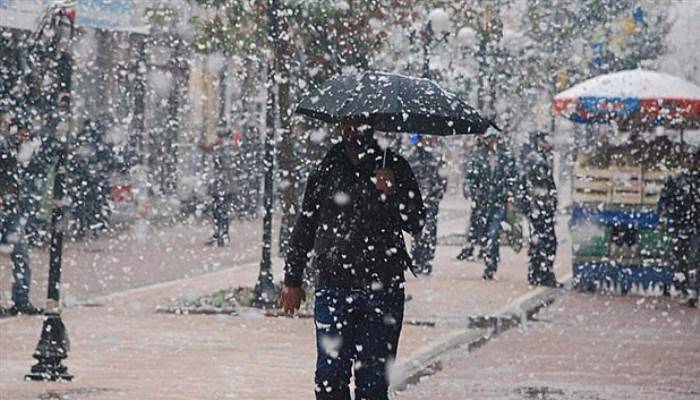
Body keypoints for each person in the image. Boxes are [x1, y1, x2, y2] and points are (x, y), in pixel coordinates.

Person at [280, 121, 425, 400]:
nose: (352, 128)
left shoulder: (393, 165)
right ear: (339, 125)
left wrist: (394, 192)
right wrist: (292, 278)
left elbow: (416, 222)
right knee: (329, 378)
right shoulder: (326, 169)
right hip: (334, 285)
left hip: (383, 288)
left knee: (373, 383)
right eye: (346, 121)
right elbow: (306, 225)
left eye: (359, 120)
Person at [456, 131, 520, 280]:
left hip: (498, 202)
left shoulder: (505, 158)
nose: (492, 142)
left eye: (493, 139)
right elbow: (470, 178)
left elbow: (513, 177)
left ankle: (490, 265)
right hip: (482, 203)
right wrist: (472, 190)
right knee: (484, 233)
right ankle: (488, 258)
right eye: (489, 140)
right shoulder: (478, 158)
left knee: (493, 232)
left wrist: (510, 192)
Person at [0, 118, 43, 315]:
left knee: (21, 253)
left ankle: (21, 299)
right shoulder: (5, 146)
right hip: (6, 205)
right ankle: (21, 299)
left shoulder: (22, 151)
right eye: (21, 133)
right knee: (20, 253)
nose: (23, 137)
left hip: (11, 207)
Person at [658, 149, 700, 306]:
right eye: (687, 159)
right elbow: (664, 199)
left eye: (693, 159)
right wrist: (663, 214)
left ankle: (693, 291)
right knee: (680, 258)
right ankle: (684, 290)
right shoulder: (675, 180)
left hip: (696, 225)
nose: (690, 162)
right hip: (679, 225)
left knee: (694, 258)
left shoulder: (696, 180)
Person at [522, 131, 559, 287]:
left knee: (539, 241)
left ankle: (537, 273)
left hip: (538, 207)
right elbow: (542, 185)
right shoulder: (537, 160)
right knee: (546, 241)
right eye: (545, 140)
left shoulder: (536, 158)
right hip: (539, 207)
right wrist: (549, 199)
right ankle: (542, 273)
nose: (549, 143)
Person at [408, 133, 447, 275]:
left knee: (429, 230)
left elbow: (442, 180)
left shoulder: (436, 159)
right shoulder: (413, 158)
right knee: (417, 231)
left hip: (430, 201)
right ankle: (418, 259)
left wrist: (435, 195)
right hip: (416, 201)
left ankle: (426, 260)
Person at [199, 126, 236, 246]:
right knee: (222, 210)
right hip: (227, 184)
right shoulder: (230, 146)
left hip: (222, 184)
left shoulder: (223, 147)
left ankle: (220, 234)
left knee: (218, 210)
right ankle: (222, 234)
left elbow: (210, 151)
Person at [457, 137, 489, 261]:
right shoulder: (478, 156)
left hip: (484, 196)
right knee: (478, 223)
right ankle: (476, 249)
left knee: (479, 224)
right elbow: (471, 176)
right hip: (481, 196)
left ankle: (475, 249)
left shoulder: (477, 156)